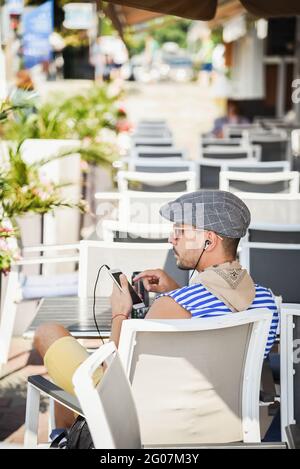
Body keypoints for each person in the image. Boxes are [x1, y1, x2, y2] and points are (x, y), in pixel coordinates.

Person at [34, 190, 278, 428]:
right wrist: (174, 292)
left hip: (150, 427)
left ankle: (64, 437)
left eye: (181, 231)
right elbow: (216, 315)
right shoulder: (267, 304)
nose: (172, 239)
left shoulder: (170, 307)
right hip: (227, 426)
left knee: (49, 333)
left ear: (209, 240)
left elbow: (114, 377)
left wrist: (120, 313)